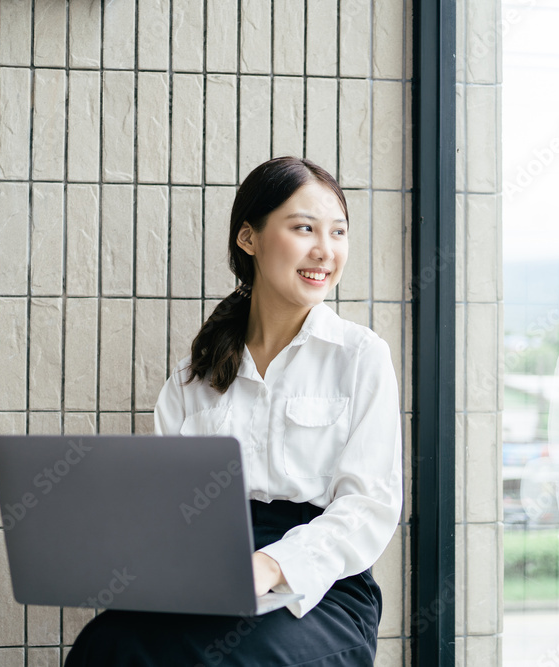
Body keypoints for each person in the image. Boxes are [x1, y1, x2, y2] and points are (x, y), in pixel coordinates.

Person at [64, 156, 403, 666]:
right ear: (249, 238)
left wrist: (268, 565)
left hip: (321, 586)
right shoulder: (192, 377)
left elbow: (369, 508)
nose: (325, 251)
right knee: (107, 643)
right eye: (304, 228)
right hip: (209, 580)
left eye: (338, 232)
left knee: (233, 658)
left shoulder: (360, 357)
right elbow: (167, 511)